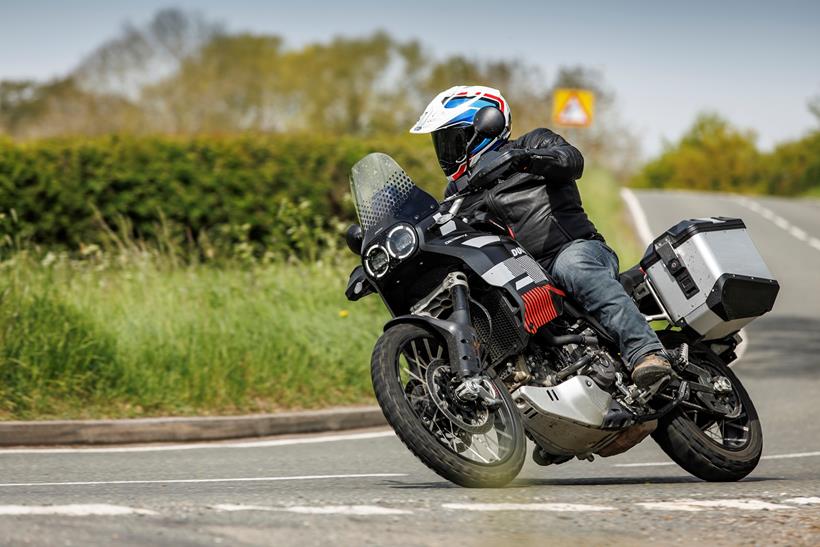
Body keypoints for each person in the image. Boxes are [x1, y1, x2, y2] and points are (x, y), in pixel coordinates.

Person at [410, 85, 671, 389]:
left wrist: (525, 159)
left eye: (451, 139)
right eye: (440, 142)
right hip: (518, 274)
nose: (445, 150)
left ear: (484, 127)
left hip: (574, 248)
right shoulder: (457, 193)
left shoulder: (533, 143)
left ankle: (647, 352)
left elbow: (571, 160)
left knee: (572, 266)